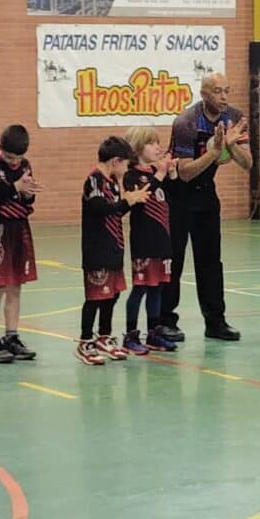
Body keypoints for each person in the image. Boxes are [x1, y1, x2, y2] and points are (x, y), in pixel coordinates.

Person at [164, 72, 251, 342]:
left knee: (211, 262)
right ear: (204, 94)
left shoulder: (234, 117)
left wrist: (230, 146)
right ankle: (165, 322)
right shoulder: (186, 122)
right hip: (177, 195)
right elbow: (186, 172)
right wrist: (214, 152)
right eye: (218, 91)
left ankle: (216, 322)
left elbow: (247, 163)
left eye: (227, 90)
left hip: (206, 195)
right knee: (174, 260)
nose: (224, 96)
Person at [75, 137, 150, 365]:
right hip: (97, 249)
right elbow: (101, 209)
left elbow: (115, 212)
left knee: (112, 294)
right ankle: (85, 341)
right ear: (115, 161)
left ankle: (104, 336)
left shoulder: (111, 181)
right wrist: (127, 201)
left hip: (114, 246)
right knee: (95, 297)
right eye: (125, 164)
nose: (126, 169)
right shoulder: (94, 180)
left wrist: (129, 201)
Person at [0, 125, 42, 364]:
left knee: (16, 285)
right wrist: (15, 187)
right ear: (0, 148)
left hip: (20, 227)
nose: (13, 162)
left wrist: (29, 193)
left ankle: (12, 336)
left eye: (17, 158)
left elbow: (29, 197)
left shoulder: (25, 165)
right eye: (8, 157)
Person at [121, 127, 180, 355]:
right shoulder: (131, 176)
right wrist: (159, 175)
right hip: (144, 242)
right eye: (151, 143)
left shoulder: (158, 172)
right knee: (141, 288)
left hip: (162, 240)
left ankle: (153, 332)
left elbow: (172, 196)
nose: (158, 147)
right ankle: (130, 334)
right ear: (137, 148)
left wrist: (171, 174)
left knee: (158, 288)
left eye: (158, 143)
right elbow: (144, 195)